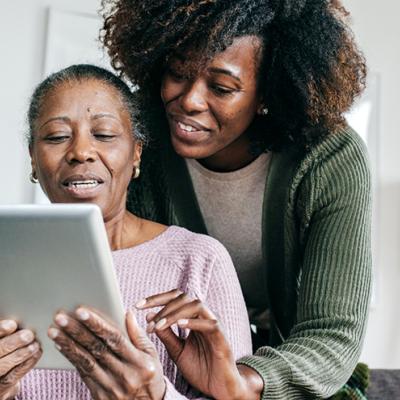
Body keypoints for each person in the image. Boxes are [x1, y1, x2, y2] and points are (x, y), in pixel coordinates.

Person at [101, 0, 372, 398]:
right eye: (177, 74)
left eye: (221, 87)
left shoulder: (329, 157)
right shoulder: (143, 138)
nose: (190, 100)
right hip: (172, 371)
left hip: (286, 375)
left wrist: (240, 383)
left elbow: (332, 333)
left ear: (267, 94)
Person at [0, 64, 252, 400]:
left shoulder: (199, 260)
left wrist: (157, 396)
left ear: (136, 153)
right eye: (57, 137)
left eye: (104, 134)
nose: (81, 152)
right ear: (33, 157)